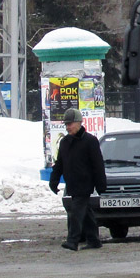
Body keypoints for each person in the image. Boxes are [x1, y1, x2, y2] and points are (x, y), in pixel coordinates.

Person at [49, 107, 107, 250]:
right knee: (85, 213)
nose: (68, 127)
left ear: (79, 122)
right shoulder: (65, 142)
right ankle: (94, 240)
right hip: (72, 184)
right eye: (66, 124)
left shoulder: (90, 141)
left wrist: (101, 185)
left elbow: (98, 165)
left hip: (85, 184)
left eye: (70, 124)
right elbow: (59, 163)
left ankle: (72, 240)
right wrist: (54, 180)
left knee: (75, 212)